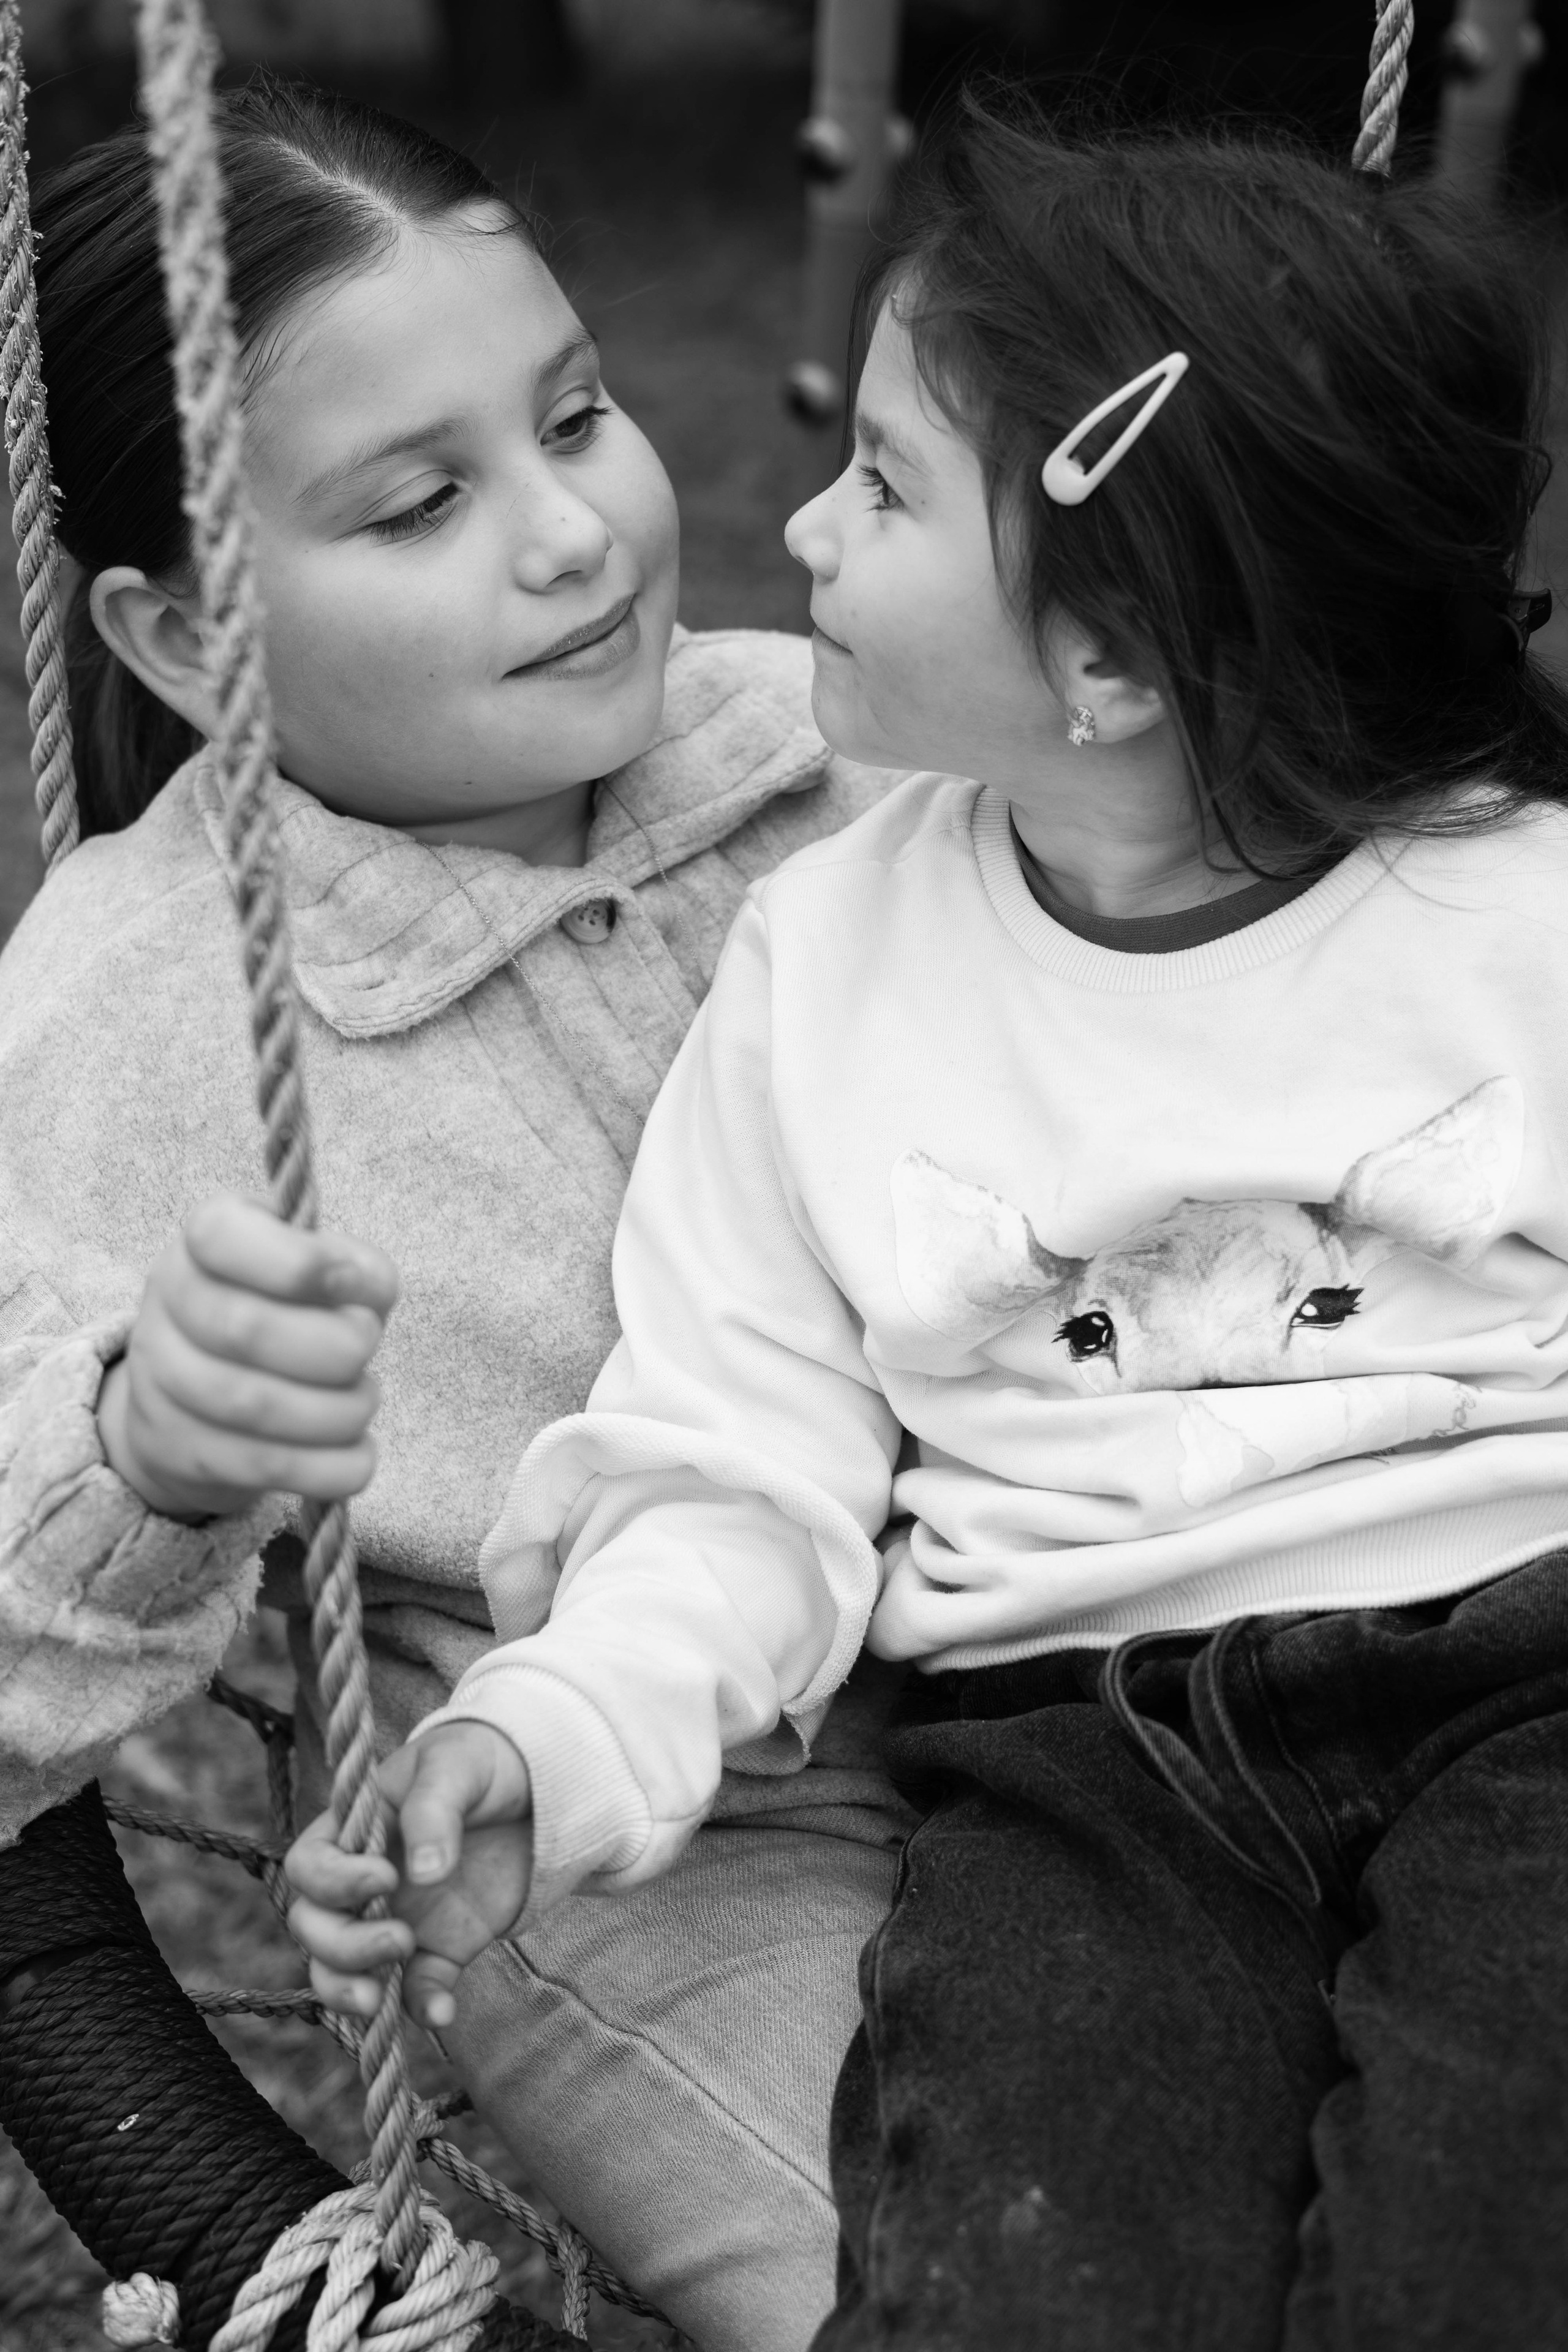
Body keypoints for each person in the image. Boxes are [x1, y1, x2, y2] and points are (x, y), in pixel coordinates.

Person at [290, 94, 1568, 2350]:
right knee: (1018, 2286)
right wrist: (563, 1718)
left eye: (880, 485)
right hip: (1097, 1775)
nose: (792, 518)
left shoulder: (1517, 918)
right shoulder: (832, 965)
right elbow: (734, 1453)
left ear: (1112, 665)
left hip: (1534, 1683)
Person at [0, 78, 913, 2352]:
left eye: (578, 415)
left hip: (1128, 1691)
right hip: (634, 1850)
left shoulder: (868, 763)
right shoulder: (149, 1005)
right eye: (422, 504)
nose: (578, 535)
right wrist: (147, 1459)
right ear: (191, 640)